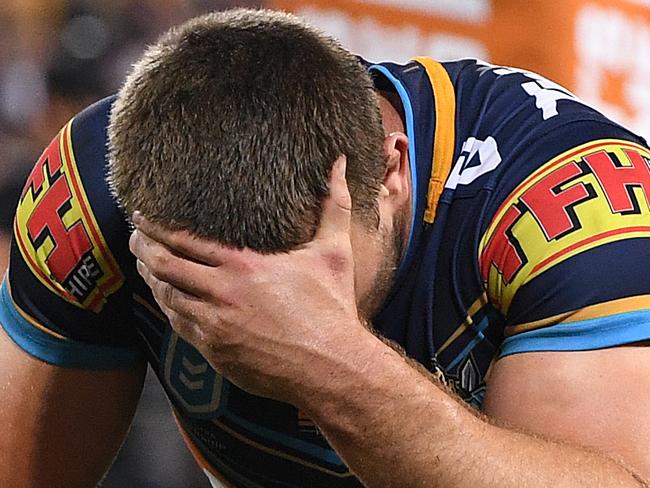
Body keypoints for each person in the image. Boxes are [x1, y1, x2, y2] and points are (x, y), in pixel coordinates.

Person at [1, 8, 650, 488]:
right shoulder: (93, 193)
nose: (251, 322)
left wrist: (329, 355)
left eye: (319, 278)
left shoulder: (572, 207)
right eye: (199, 293)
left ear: (392, 173)